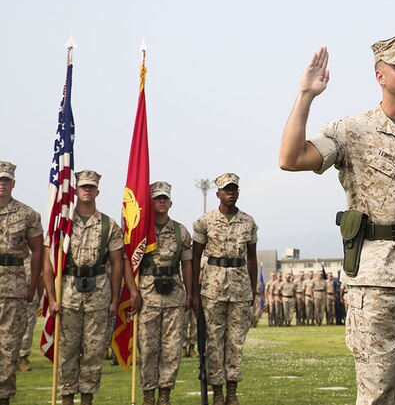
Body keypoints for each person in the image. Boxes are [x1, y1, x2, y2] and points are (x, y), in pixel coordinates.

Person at [279, 34, 395, 404]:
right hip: (377, 280)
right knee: (377, 389)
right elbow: (291, 158)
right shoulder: (351, 131)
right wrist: (305, 96)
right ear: (380, 75)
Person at [43, 170, 141, 405]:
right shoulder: (62, 224)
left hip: (99, 294)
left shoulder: (109, 225)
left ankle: (87, 398)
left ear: (97, 191)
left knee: (94, 351)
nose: (87, 190)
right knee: (67, 349)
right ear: (75, 190)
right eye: (83, 186)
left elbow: (118, 263)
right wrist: (53, 298)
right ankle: (67, 397)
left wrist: (115, 298)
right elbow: (48, 266)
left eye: (91, 187)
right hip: (68, 295)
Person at [192, 172, 258, 405]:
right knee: (214, 341)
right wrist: (193, 293)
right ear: (218, 193)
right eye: (226, 190)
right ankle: (217, 391)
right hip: (212, 288)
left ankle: (232, 390)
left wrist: (252, 290)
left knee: (236, 341)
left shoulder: (248, 222)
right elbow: (195, 257)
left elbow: (252, 258)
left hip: (240, 289)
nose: (231, 193)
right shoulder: (204, 222)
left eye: (234, 190)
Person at [138, 182, 193, 405]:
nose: (162, 201)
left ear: (170, 203)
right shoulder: (141, 230)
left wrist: (190, 294)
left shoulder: (181, 232)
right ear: (150, 203)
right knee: (148, 348)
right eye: (157, 198)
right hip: (147, 297)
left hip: (174, 297)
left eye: (165, 198)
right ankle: (148, 396)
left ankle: (165, 395)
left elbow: (187, 265)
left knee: (171, 350)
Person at [0, 161, 43, 405]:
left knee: (8, 346)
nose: (2, 183)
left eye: (6, 180)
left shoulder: (28, 215)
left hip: (13, 287)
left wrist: (33, 284)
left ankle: (4, 397)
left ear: (13, 183)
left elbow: (38, 251)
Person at [18, 254, 42, 372]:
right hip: (6, 287)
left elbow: (39, 273)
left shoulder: (33, 252)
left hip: (28, 290)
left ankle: (23, 357)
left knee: (28, 324)